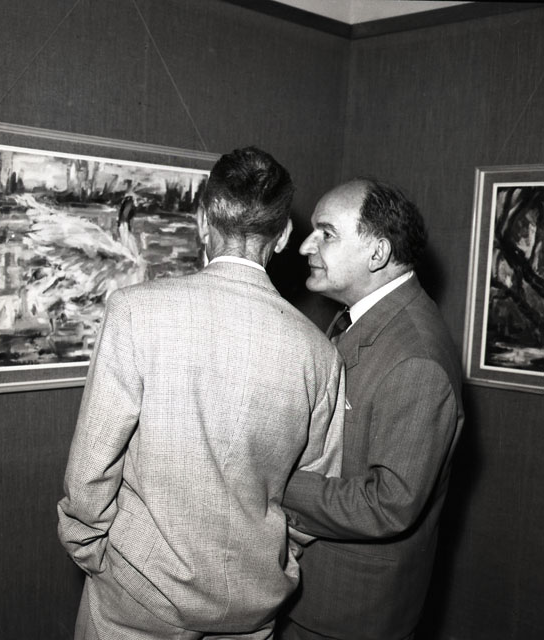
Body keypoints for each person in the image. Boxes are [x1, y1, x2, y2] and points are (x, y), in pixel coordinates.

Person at [57, 146, 345, 640]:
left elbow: (91, 470)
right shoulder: (319, 353)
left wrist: (95, 553)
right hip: (252, 603)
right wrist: (277, 557)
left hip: (138, 593)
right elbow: (314, 492)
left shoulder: (135, 311)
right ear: (283, 236)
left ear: (202, 220)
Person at [278, 179, 464, 640]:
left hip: (347, 612)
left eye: (326, 233)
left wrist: (274, 478)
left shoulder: (415, 358)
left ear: (377, 253)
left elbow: (389, 503)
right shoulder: (361, 318)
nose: (305, 246)